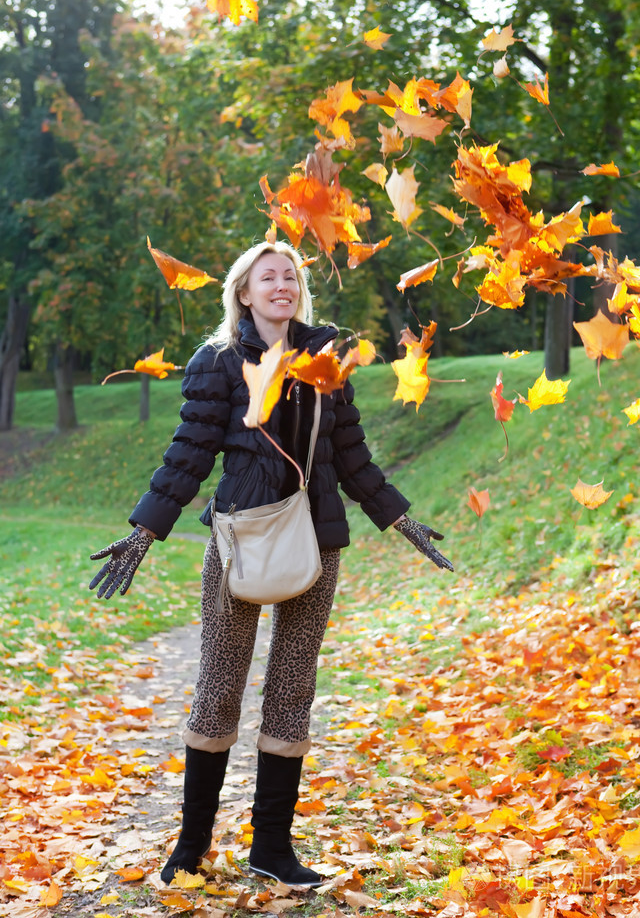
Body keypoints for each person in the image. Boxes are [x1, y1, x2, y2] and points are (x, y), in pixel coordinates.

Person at [89, 239, 453, 889]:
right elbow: (189, 454)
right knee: (218, 689)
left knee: (291, 692)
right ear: (245, 293)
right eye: (268, 277)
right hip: (242, 539)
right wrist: (144, 530)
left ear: (298, 290)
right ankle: (191, 848)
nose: (282, 284)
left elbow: (353, 457)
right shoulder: (219, 362)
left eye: (290, 275)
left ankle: (273, 850)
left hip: (317, 543)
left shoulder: (327, 362)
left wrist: (400, 517)